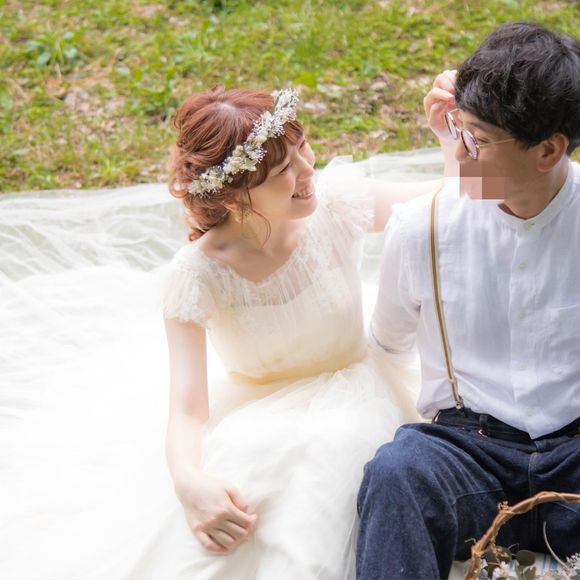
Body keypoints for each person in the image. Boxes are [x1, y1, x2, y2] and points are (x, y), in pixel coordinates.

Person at [123, 85, 455, 579]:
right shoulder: (197, 275)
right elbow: (188, 411)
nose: (307, 171)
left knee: (334, 456)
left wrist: (450, 138)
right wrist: (189, 480)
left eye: (303, 148)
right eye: (283, 171)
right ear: (234, 194)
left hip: (366, 396)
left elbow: (454, 199)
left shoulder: (336, 205)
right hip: (262, 419)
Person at [357, 21, 580, 579]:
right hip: (467, 452)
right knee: (398, 471)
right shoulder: (423, 227)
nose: (458, 151)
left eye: (476, 139)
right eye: (460, 128)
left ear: (548, 149)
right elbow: (385, 345)